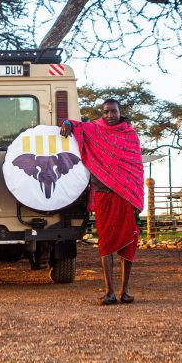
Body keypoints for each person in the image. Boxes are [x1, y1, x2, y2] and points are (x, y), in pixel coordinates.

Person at [61, 99, 144, 305]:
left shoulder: (130, 135)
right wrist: (68, 123)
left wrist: (136, 198)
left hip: (124, 196)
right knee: (105, 243)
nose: (109, 115)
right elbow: (76, 125)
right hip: (103, 194)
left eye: (113, 111)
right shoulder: (95, 129)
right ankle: (109, 292)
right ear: (102, 112)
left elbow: (136, 169)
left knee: (129, 242)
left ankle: (125, 292)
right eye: (106, 112)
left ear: (120, 112)